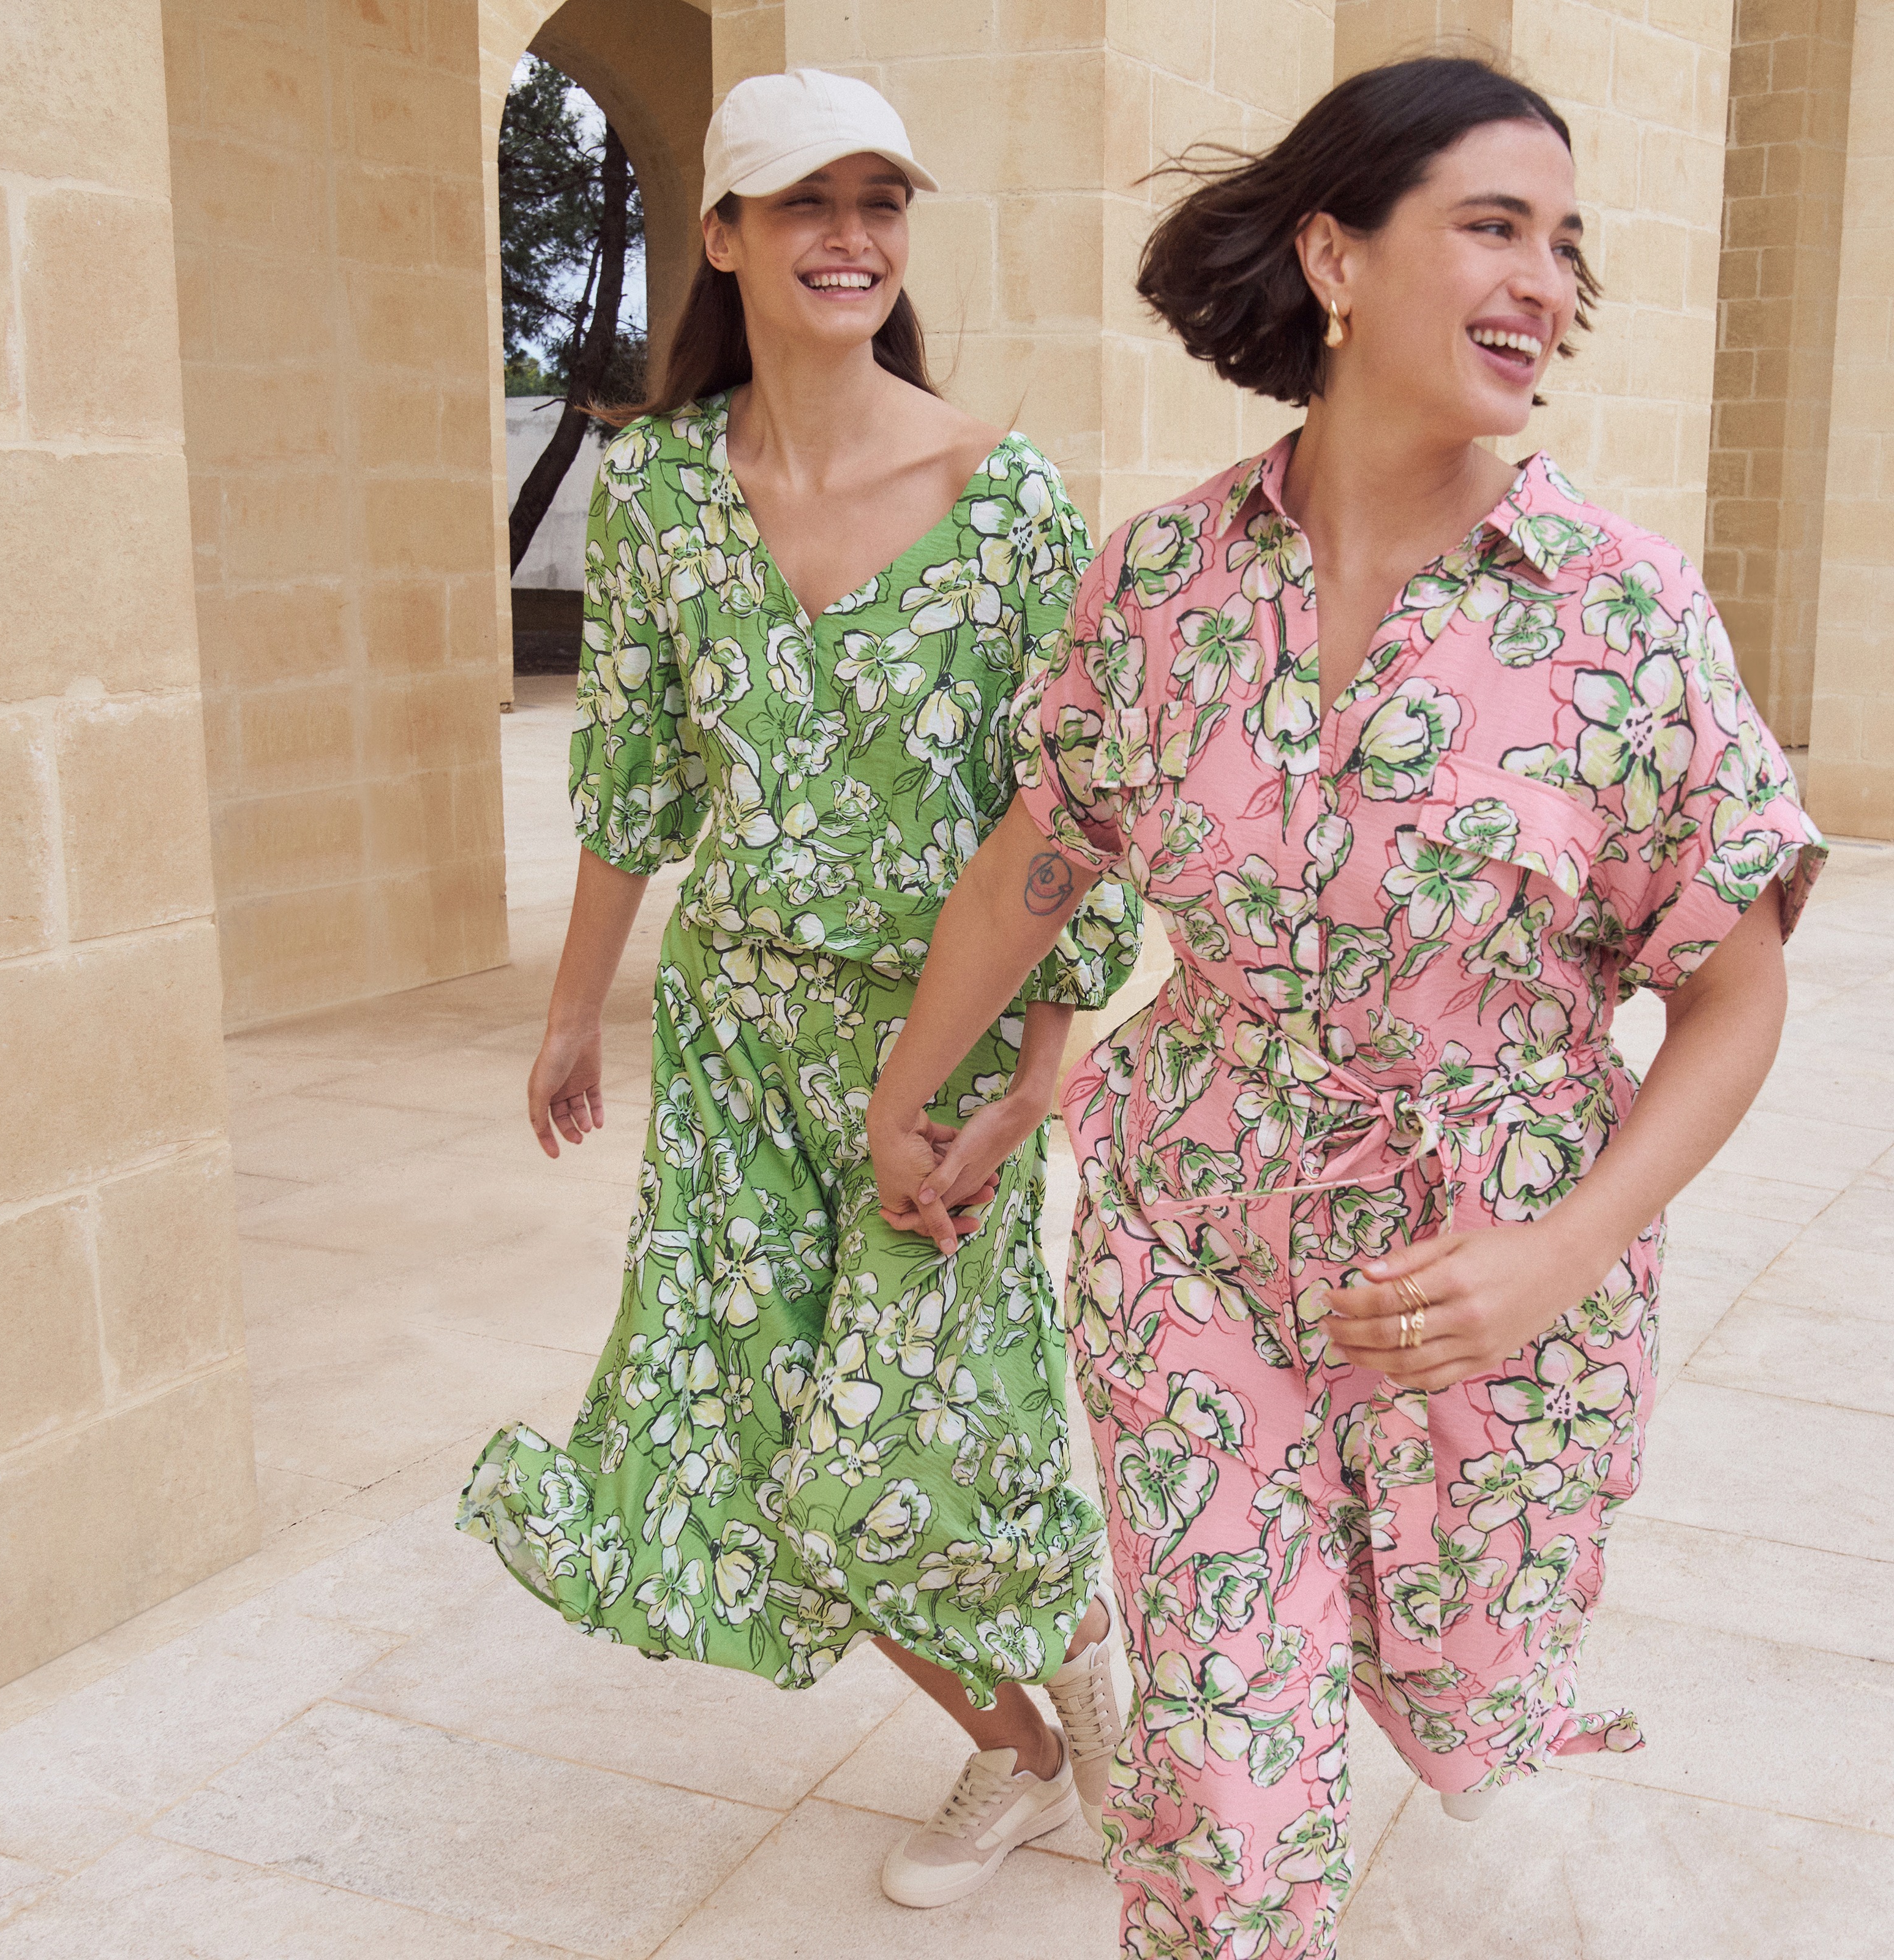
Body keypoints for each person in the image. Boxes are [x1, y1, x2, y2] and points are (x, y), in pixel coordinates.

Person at [866, 56, 1824, 1959]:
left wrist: (1561, 1255)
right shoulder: (1163, 582)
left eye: (1566, 246)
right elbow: (1043, 855)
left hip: (1486, 1290)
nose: (1544, 280)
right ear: (1336, 256)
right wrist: (920, 1089)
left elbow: (1735, 993)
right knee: (1227, 1783)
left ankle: (1475, 1688)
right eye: (1494, 226)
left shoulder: (1617, 614)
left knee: (1462, 1688)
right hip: (1188, 1243)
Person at [456, 68, 1143, 1910]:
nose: (852, 237)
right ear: (726, 237)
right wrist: (573, 1011)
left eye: (880, 201)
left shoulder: (1006, 500)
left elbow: (1066, 816)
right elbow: (635, 780)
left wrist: (1040, 1077)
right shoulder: (660, 491)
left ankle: (1104, 1715)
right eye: (807, 203)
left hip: (947, 1056)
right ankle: (1025, 1759)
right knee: (763, 1446)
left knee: (921, 1438)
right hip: (740, 1051)